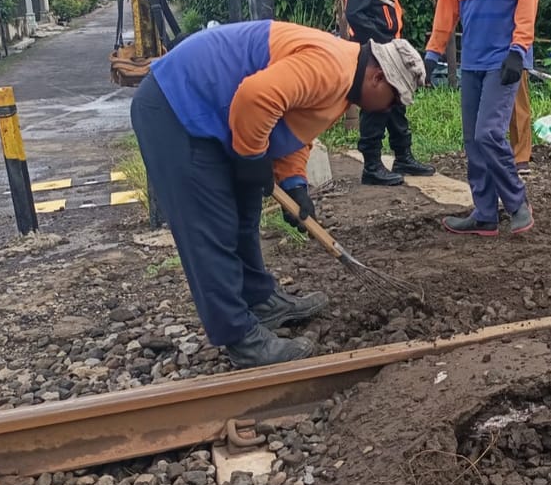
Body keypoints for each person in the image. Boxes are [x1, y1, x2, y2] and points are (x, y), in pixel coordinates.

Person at [131, 20, 426, 368]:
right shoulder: (332, 67)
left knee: (244, 214)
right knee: (211, 228)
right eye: (393, 100)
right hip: (177, 105)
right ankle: (240, 337)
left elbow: (294, 125)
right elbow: (255, 97)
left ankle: (259, 300)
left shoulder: (345, 80)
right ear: (378, 78)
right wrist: (252, 155)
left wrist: (294, 183)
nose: (389, 110)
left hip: (216, 112)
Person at [426, 0, 539, 236]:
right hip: (473, 59)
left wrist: (519, 48)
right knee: (472, 140)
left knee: (489, 133)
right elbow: (447, 5)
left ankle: (518, 204)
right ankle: (485, 213)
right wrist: (433, 52)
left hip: (504, 58)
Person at [344, 0, 435, 186]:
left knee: (395, 100)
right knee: (377, 104)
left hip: (384, 45)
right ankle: (372, 165)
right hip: (374, 50)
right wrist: (381, 43)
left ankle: (403, 156)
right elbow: (355, 13)